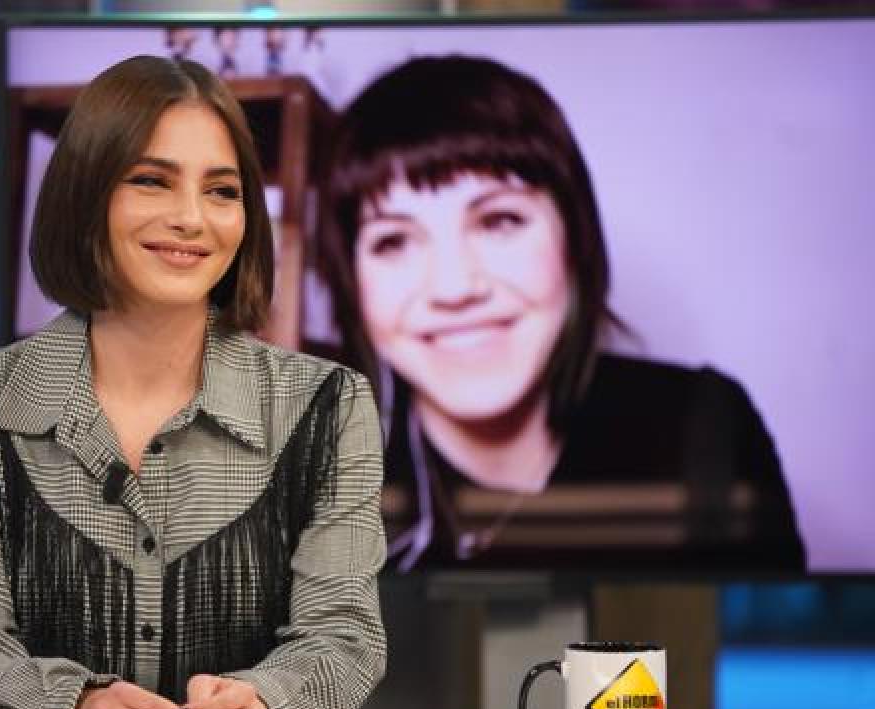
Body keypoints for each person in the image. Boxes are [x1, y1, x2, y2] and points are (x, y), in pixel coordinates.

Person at [0, 55, 386, 709]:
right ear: (84, 195)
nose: (191, 219)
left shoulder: (328, 405)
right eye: (151, 181)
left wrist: (261, 705)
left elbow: (342, 640)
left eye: (221, 191)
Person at [318, 54, 804, 572]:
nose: (454, 287)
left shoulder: (705, 430)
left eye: (499, 221)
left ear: (574, 240)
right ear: (352, 283)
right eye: (393, 241)